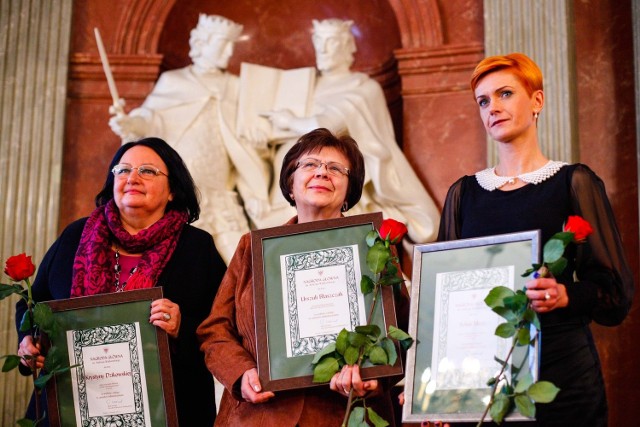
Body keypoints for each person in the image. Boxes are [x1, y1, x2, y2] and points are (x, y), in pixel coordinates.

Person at [437, 53, 635, 426]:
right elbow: (444, 297)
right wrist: (432, 389)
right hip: (480, 380)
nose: (493, 107)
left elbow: (614, 294)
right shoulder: (463, 194)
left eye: (505, 94)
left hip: (561, 376)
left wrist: (565, 294)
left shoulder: (574, 182)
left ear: (537, 101)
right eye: (483, 101)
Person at [196, 128, 410, 426]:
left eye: (335, 168)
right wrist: (241, 373)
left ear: (349, 190)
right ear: (291, 184)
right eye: (310, 165)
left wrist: (375, 379)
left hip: (344, 413)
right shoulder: (252, 248)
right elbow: (215, 330)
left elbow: (404, 330)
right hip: (258, 416)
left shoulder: (374, 247)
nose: (322, 173)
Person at [15, 137, 227, 426]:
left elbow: (223, 328)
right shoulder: (75, 236)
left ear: (173, 191)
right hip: (73, 405)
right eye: (123, 170)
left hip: (168, 408)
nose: (132, 178)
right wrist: (28, 343)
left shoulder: (197, 248)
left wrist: (182, 327)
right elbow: (32, 305)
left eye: (148, 171)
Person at [256, 18, 440, 247]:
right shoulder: (306, 88)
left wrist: (290, 121)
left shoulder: (362, 86)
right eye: (319, 41)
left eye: (331, 42)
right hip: (299, 183)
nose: (323, 49)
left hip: (354, 176)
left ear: (347, 46)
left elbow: (332, 123)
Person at [109, 14, 270, 265]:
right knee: (180, 263)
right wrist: (131, 124)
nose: (229, 52)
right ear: (203, 42)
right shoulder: (174, 81)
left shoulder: (236, 87)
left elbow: (253, 130)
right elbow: (151, 121)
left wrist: (259, 135)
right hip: (179, 195)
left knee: (244, 266)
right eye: (222, 43)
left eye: (231, 45)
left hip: (221, 195)